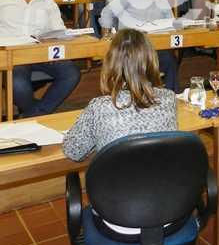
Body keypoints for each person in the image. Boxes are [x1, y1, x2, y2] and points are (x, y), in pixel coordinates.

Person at [63, 28, 176, 161]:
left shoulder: (99, 107)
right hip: (161, 173)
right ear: (152, 61)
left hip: (117, 174)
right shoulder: (169, 98)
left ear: (110, 63)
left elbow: (73, 152)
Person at [100, 0, 179, 91]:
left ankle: (170, 96)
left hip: (152, 47)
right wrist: (107, 34)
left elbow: (171, 24)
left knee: (170, 61)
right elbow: (107, 12)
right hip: (129, 48)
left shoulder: (163, 1)